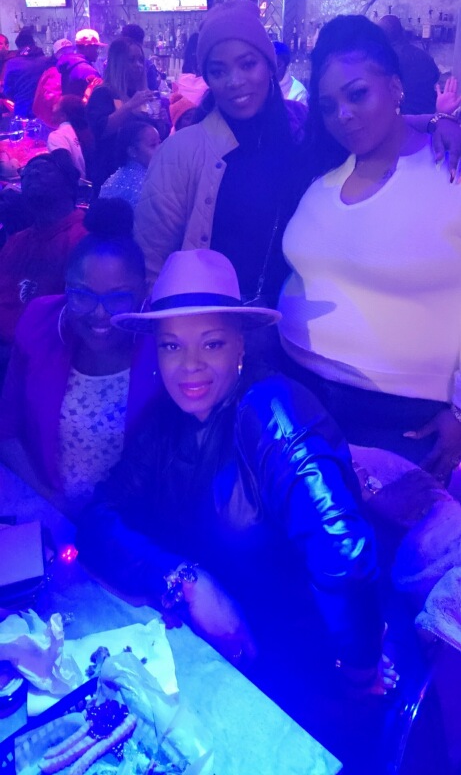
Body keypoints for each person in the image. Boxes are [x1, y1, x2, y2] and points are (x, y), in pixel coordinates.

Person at [77, 249, 395, 749]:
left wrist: (357, 672)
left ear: (241, 344)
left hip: (295, 668)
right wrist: (185, 580)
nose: (190, 365)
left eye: (212, 343)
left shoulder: (271, 411)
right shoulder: (166, 420)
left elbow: (345, 557)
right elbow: (99, 518)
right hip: (207, 654)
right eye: (172, 346)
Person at [278, 14, 461, 482]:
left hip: (401, 422)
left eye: (357, 94)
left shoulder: (449, 170)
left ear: (395, 87)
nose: (342, 114)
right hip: (299, 401)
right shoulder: (323, 177)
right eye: (328, 105)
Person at [135, 2, 308, 304]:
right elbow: (151, 264)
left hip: (294, 319)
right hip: (210, 322)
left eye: (248, 64)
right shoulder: (181, 152)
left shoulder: (303, 132)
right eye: (218, 71)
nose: (235, 81)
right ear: (208, 78)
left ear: (271, 65)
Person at [0, 199, 154, 514]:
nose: (100, 314)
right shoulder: (40, 322)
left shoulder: (161, 344)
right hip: (47, 509)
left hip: (129, 523)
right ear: (66, 288)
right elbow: (8, 430)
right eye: (82, 295)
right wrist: (49, 500)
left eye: (119, 298)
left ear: (143, 292)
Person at [0, 151, 86, 368]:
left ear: (70, 186)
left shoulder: (83, 239)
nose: (34, 173)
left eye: (45, 169)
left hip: (46, 356)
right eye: (28, 172)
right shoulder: (17, 240)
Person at [86, 36, 163, 193]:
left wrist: (161, 119)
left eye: (141, 60)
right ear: (118, 63)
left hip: (145, 178)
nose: (138, 65)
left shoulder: (140, 94)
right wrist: (129, 106)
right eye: (131, 60)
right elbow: (100, 130)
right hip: (111, 176)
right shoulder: (103, 93)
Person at [378, 15, 439, 114]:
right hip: (427, 116)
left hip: (402, 117)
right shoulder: (423, 56)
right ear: (402, 31)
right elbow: (436, 78)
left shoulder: (383, 59)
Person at [99, 116, 160, 208]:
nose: (160, 149)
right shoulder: (148, 185)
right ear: (132, 151)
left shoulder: (111, 182)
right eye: (153, 145)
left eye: (160, 142)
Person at [2, 27, 47, 117]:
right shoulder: (46, 61)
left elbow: (8, 91)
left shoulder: (12, 63)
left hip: (22, 109)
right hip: (43, 110)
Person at [47, 95, 94, 178]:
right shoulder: (88, 132)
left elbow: (64, 166)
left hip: (76, 184)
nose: (53, 106)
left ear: (63, 116)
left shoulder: (57, 136)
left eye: (57, 104)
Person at [32, 38, 73, 128]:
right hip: (55, 122)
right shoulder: (54, 72)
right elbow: (52, 99)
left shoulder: (67, 69)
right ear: (56, 55)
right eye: (63, 52)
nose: (67, 54)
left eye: (70, 51)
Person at [58, 29, 104, 99]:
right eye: (96, 48)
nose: (98, 51)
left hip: (68, 105)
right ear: (87, 48)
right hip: (82, 106)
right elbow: (99, 98)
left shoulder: (69, 64)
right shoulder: (88, 71)